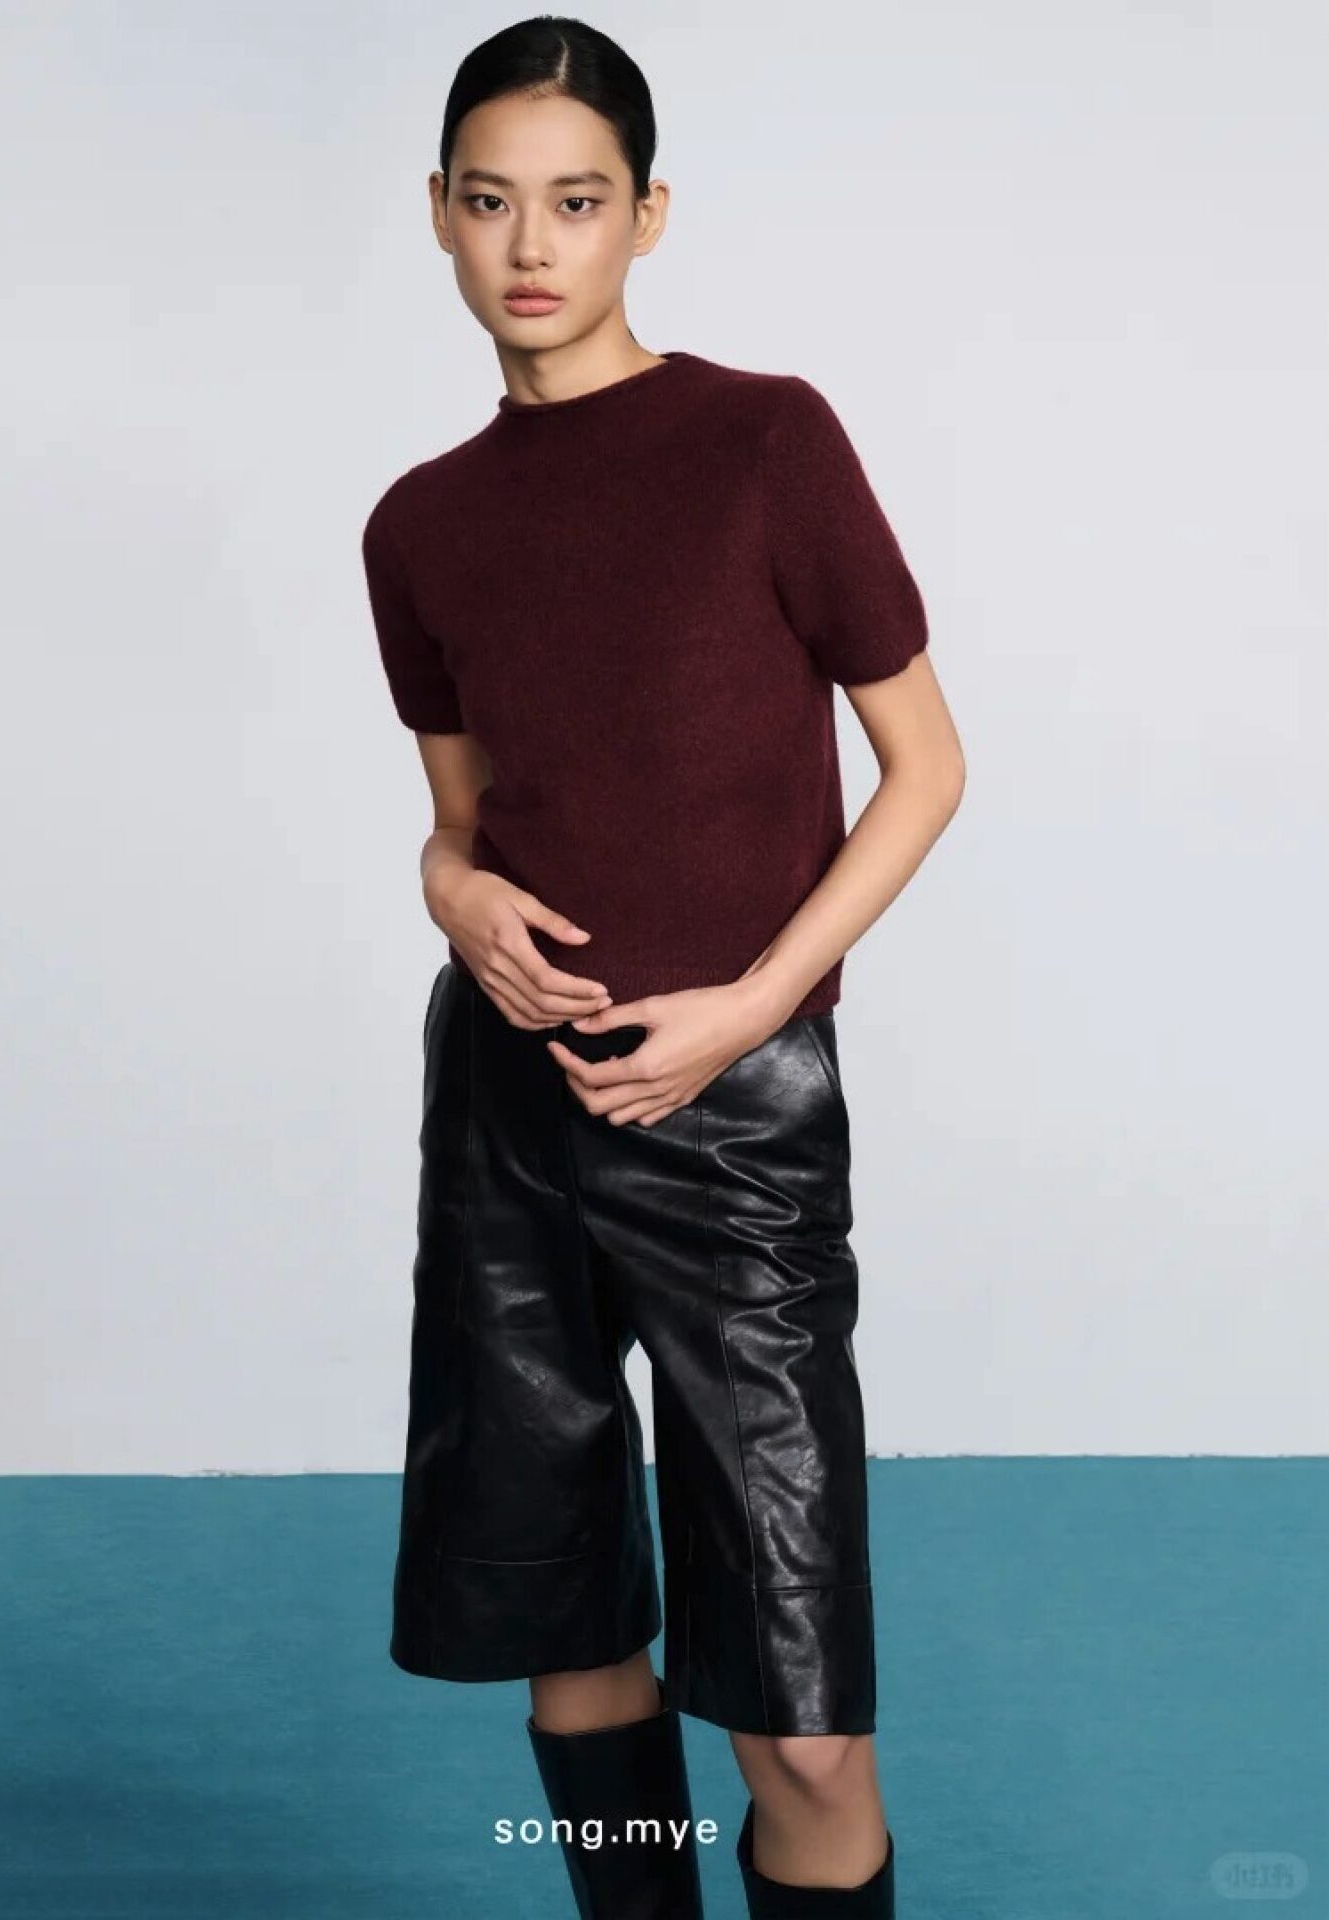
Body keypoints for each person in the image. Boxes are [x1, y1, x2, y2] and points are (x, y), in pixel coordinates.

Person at [360, 17, 964, 1917]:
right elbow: (464, 822)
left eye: (576, 201)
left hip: (738, 1110)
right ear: (438, 217)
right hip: (507, 1113)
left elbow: (925, 767)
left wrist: (756, 1005)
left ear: (647, 215)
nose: (530, 244)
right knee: (568, 1638)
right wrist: (444, 889)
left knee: (801, 1728)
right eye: (491, 202)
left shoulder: (764, 441)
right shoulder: (420, 523)